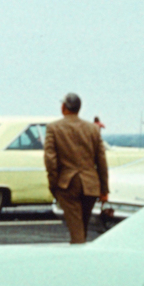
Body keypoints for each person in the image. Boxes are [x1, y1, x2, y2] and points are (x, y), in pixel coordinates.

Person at [44, 92, 110, 244]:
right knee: (82, 228)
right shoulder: (93, 129)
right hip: (91, 185)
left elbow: (50, 160)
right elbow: (101, 161)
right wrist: (104, 190)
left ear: (63, 107)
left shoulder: (53, 128)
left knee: (77, 231)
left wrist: (53, 185)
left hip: (67, 185)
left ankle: (79, 260)